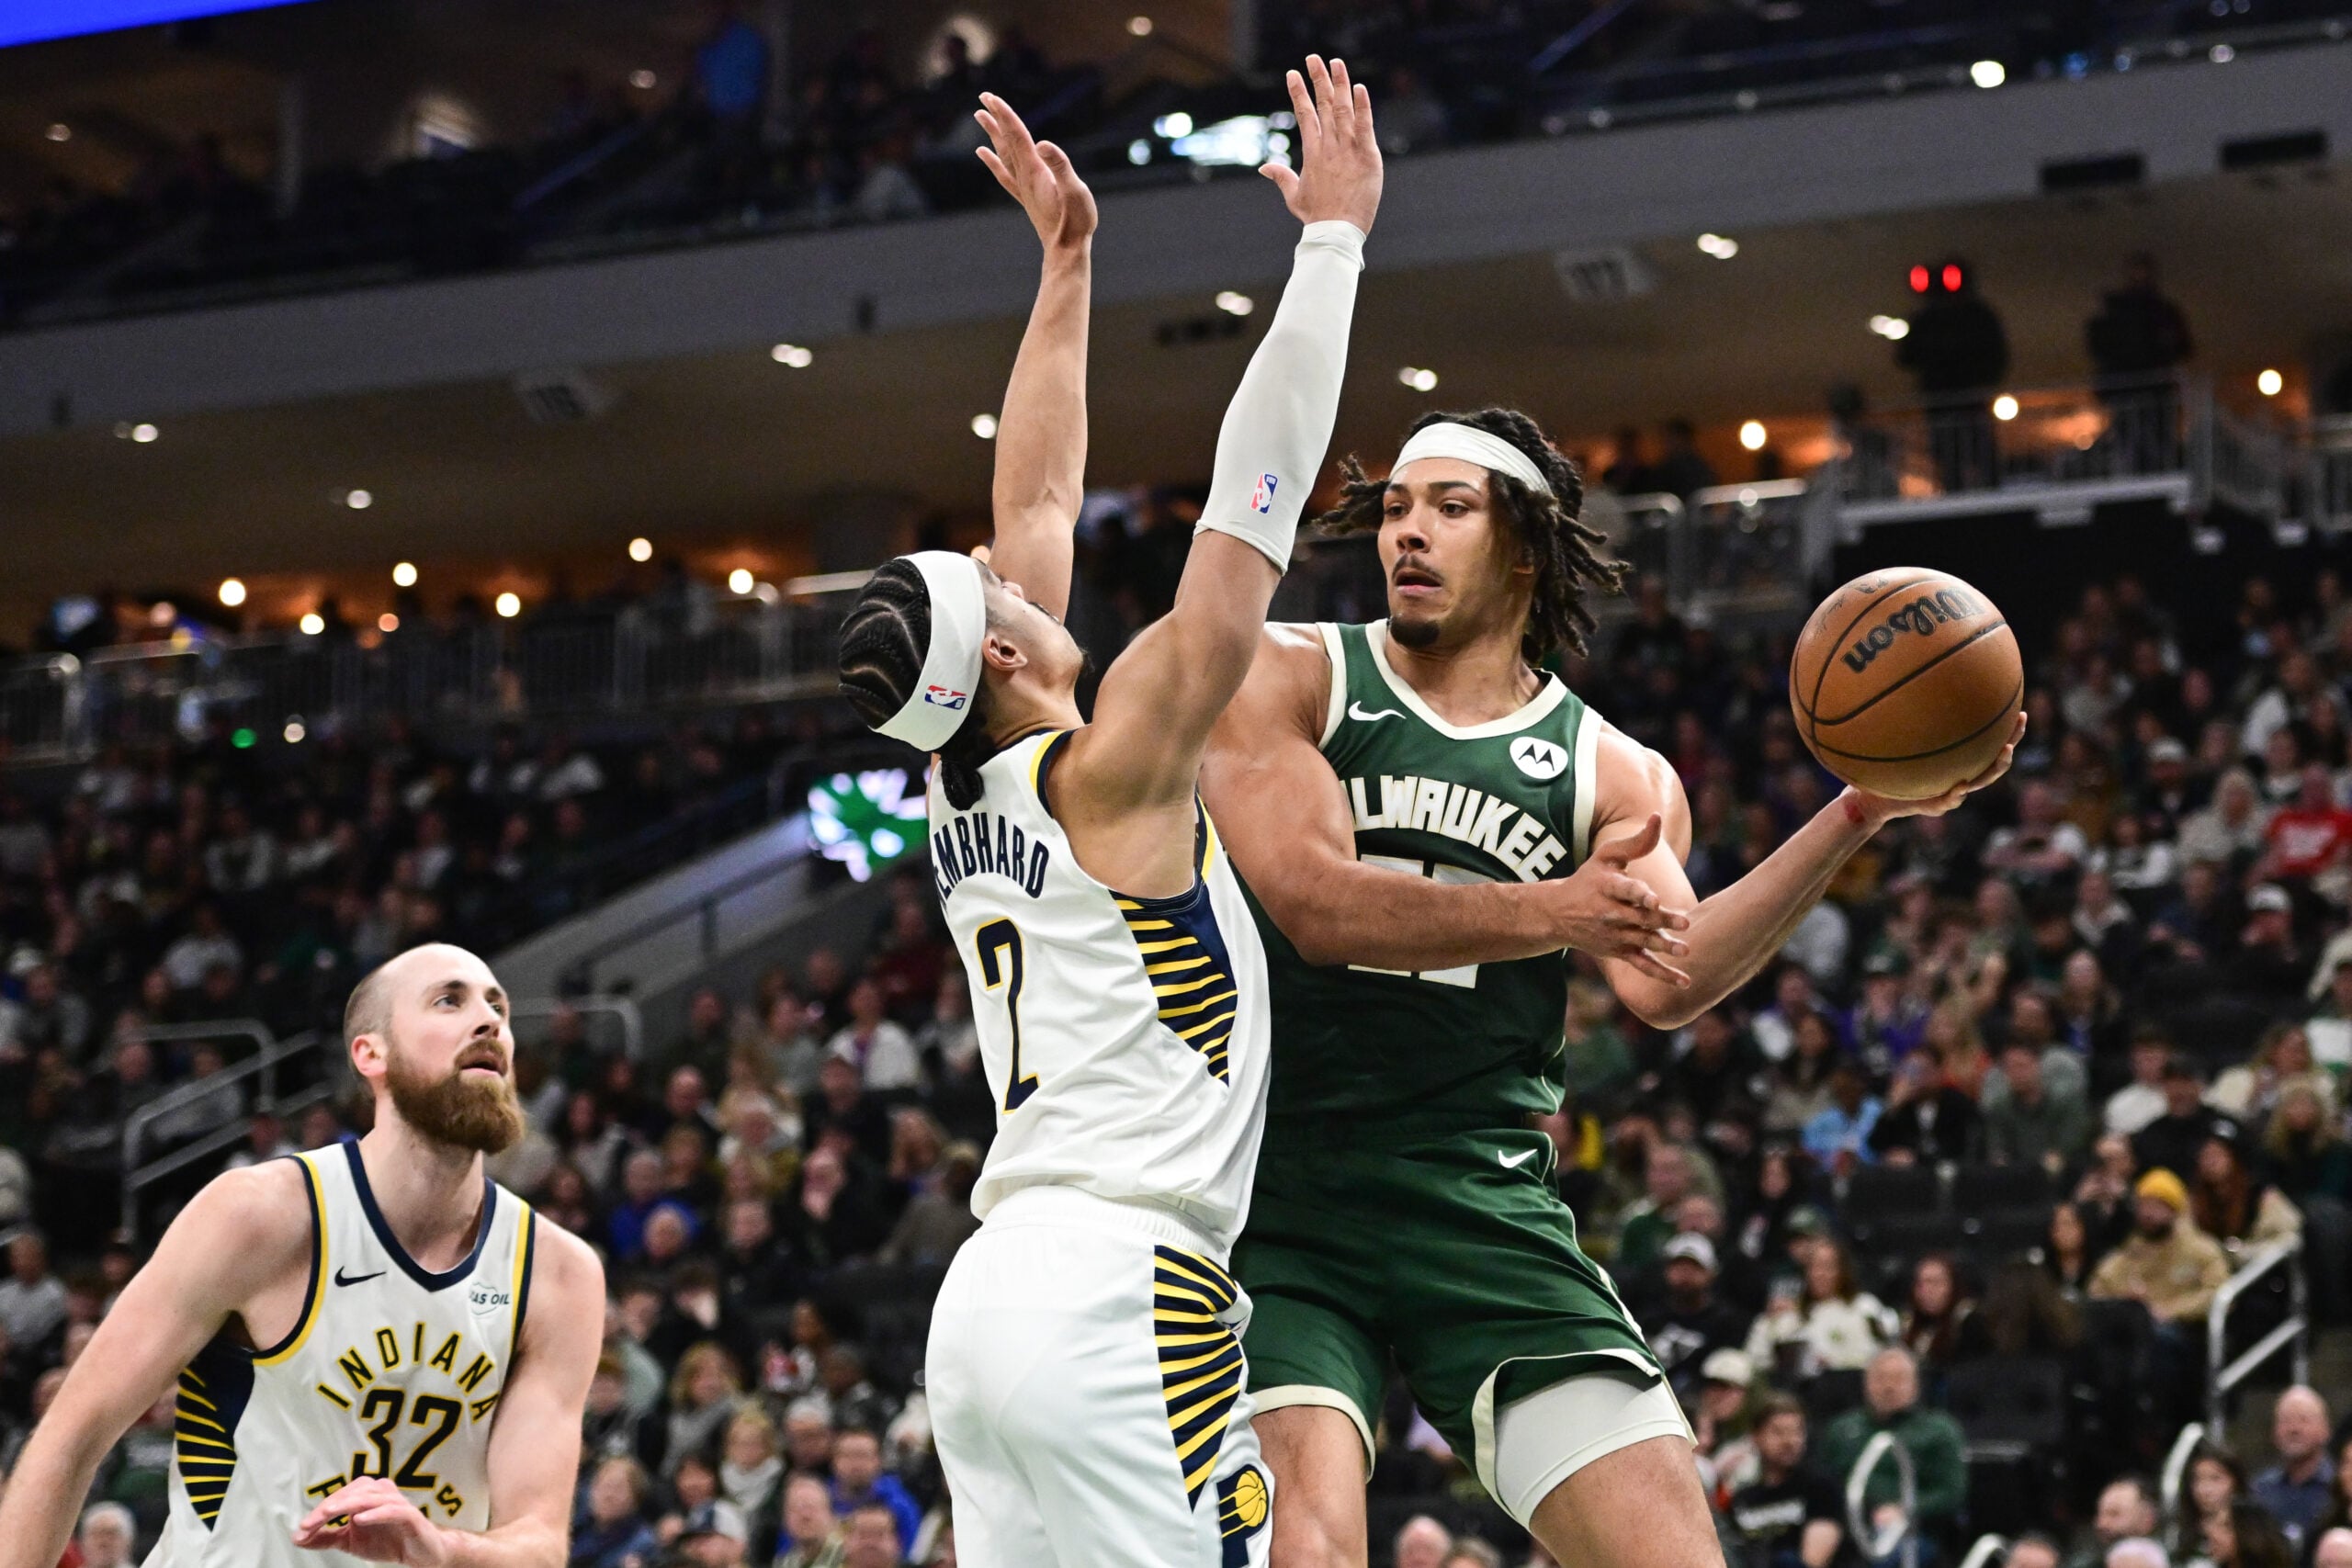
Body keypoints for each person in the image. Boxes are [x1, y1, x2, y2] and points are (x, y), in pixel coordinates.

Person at [1202, 310, 2017, 1568]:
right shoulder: (1292, 673)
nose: (1407, 530)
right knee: (1311, 1552)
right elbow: (1313, 904)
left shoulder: (1611, 768)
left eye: (1451, 506)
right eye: (1398, 506)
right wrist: (1551, 908)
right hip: (1275, 1194)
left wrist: (1858, 810)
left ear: (1524, 548)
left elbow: (1668, 975)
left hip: (1477, 1198)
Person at [835, 72, 1381, 1568]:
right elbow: (1244, 525)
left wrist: (1067, 265)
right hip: (1122, 1285)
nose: (1018, 566)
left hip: (990, 1299)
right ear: (1005, 655)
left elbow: (1041, 497)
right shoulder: (1115, 767)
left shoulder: (965, 780)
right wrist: (1331, 243)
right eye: (1003, 590)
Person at [0, 942, 604, 1567]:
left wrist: (441, 1548)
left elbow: (537, 1540)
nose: (489, 1021)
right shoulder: (261, 1216)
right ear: (372, 1053)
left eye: (498, 1007)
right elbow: (70, 1439)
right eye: (449, 999)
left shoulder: (558, 1274)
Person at [1810, 1348, 1969, 1546]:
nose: (1889, 1386)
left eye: (1899, 1379)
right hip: (1845, 1523)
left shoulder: (1939, 1430)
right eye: (1880, 1378)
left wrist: (1905, 1510)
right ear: (1866, 1383)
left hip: (1913, 1530)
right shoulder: (1841, 1429)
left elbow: (1951, 1492)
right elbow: (1821, 1483)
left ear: (1915, 1385)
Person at [1895, 255, 2010, 493]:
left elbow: (1996, 354)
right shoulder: (1928, 319)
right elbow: (1906, 356)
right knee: (1952, 456)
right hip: (1947, 401)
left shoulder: (1975, 315)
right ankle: (1964, 490)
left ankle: (1986, 490)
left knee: (1974, 451)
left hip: (1965, 399)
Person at [1724, 1396, 1844, 1568]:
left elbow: (1813, 1561)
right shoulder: (1743, 1499)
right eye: (1778, 1432)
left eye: (1797, 1432)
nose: (1790, 1441)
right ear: (1756, 1437)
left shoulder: (1821, 1487)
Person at [2251, 1386, 2334, 1551]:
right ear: (2274, 1432)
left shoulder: (2340, 1487)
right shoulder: (2259, 1491)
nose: (2294, 1429)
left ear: (2326, 1430)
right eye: (2286, 1421)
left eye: (2304, 1420)